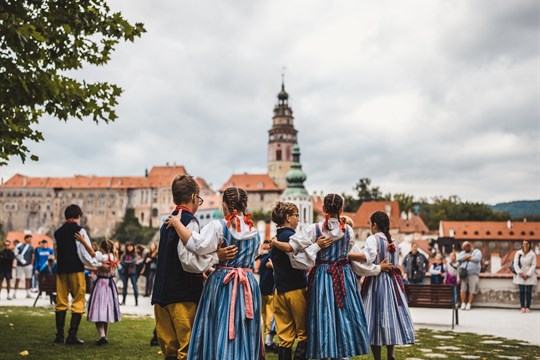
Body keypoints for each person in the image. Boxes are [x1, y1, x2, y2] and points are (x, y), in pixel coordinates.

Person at [166, 186, 263, 360]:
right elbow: (254, 255)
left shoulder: (218, 226)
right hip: (247, 283)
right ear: (245, 204)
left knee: (220, 324)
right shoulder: (255, 231)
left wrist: (176, 223)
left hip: (223, 283)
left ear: (224, 205)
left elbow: (197, 244)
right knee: (242, 327)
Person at [152, 175, 238, 360]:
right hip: (182, 294)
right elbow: (188, 261)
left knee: (170, 349)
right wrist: (216, 256)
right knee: (187, 348)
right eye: (199, 199)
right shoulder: (189, 221)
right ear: (193, 198)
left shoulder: (168, 221)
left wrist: (203, 270)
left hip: (161, 293)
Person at [284, 194, 370, 359]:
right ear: (341, 210)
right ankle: (343, 353)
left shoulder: (314, 229)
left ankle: (324, 352)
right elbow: (356, 254)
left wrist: (313, 249)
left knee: (324, 315)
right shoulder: (348, 230)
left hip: (323, 276)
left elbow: (293, 249)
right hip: (344, 276)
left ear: (323, 209)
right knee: (344, 315)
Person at [350, 211, 415, 360]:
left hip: (377, 281)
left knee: (373, 318)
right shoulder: (393, 242)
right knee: (389, 317)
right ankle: (391, 355)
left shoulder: (373, 239)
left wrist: (346, 255)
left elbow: (368, 257)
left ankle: (378, 358)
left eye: (370, 224)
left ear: (374, 225)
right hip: (392, 283)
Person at [269, 201, 320, 360]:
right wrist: (317, 246)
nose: (298, 219)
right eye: (296, 215)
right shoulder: (291, 237)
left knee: (284, 336)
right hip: (296, 289)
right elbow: (303, 261)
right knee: (303, 333)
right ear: (288, 217)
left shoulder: (277, 237)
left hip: (279, 290)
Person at [54, 204, 102, 345]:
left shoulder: (57, 232)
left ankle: (59, 336)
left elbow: (56, 252)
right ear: (78, 216)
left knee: (61, 302)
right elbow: (84, 253)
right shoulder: (80, 230)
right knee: (78, 301)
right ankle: (72, 336)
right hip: (76, 270)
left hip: (61, 270)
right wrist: (96, 265)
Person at [85, 240, 122, 345]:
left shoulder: (102, 257)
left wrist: (84, 242)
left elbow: (93, 256)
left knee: (98, 309)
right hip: (110, 286)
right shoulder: (114, 258)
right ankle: (104, 335)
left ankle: (102, 335)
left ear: (102, 248)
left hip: (101, 284)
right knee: (105, 310)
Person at [258, 241, 278, 353]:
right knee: (270, 315)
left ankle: (268, 341)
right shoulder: (272, 257)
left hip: (263, 289)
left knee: (266, 315)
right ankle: (268, 341)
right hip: (269, 289)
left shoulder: (264, 258)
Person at [513, 240, 537, 313]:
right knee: (522, 291)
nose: (525, 245)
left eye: (526, 244)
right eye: (523, 244)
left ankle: (528, 307)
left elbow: (533, 265)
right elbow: (515, 264)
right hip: (521, 273)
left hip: (530, 274)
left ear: (529, 245)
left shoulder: (532, 254)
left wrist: (528, 274)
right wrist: (520, 273)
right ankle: (522, 307)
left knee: (529, 291)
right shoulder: (518, 253)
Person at [457, 241, 482, 310]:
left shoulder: (477, 251)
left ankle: (469, 304)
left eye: (465, 247)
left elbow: (477, 259)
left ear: (469, 246)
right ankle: (463, 303)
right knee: (463, 289)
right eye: (463, 248)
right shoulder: (462, 252)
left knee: (472, 289)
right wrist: (467, 257)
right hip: (464, 273)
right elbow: (459, 258)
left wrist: (467, 258)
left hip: (473, 273)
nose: (464, 249)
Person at [14, 234, 35, 299]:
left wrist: (31, 264)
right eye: (29, 238)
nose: (30, 240)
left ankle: (28, 293)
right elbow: (16, 254)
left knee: (28, 279)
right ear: (25, 239)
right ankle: (14, 293)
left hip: (28, 265)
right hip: (19, 265)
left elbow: (33, 256)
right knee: (18, 279)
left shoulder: (31, 247)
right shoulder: (19, 246)